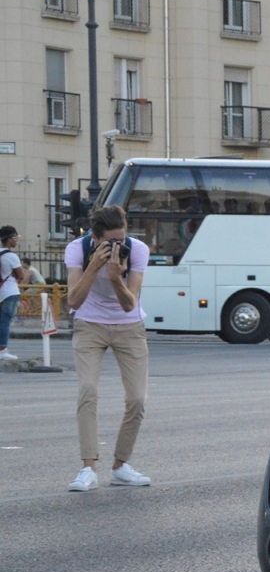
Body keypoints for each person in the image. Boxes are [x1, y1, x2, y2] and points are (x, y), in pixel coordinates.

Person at [65, 205, 152, 491]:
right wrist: (94, 266)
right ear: (95, 237)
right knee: (88, 390)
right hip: (89, 325)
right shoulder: (77, 250)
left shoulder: (137, 250)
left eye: (121, 239)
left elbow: (129, 304)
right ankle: (88, 468)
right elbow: (73, 301)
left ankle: (120, 466)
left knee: (137, 398)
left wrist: (116, 275)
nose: (118, 246)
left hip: (129, 327)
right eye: (110, 242)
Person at [0, 226, 26, 361]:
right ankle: (2, 351)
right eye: (15, 238)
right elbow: (21, 275)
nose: (16, 241)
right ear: (9, 240)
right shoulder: (11, 256)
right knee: (5, 321)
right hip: (9, 292)